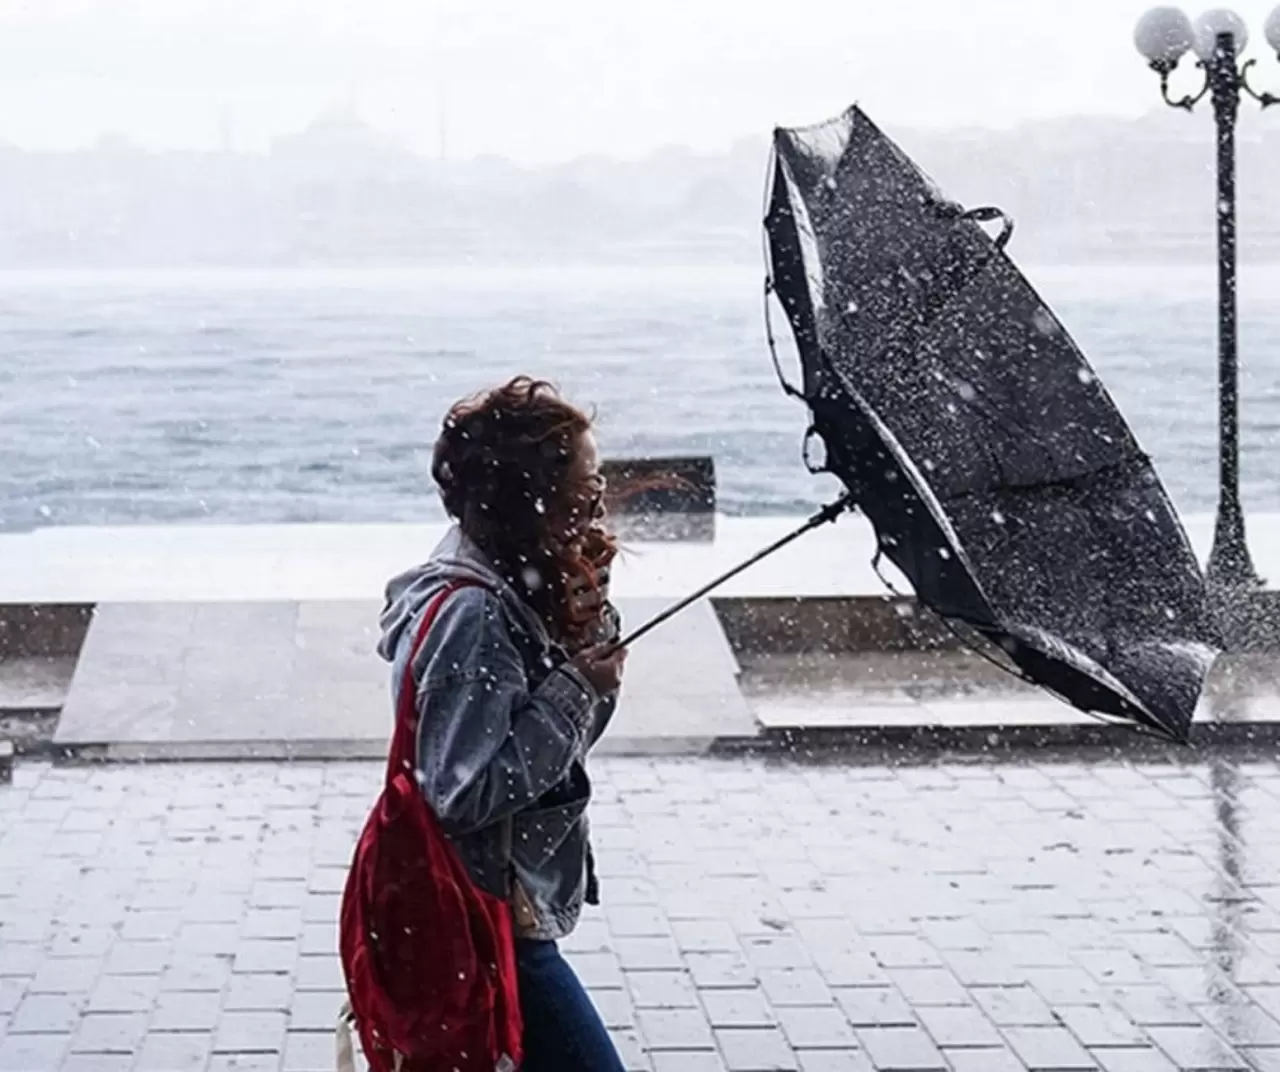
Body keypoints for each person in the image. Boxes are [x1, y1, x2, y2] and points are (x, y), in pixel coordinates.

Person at [377, 376, 628, 1072]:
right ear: (532, 502)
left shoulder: (511, 583)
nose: (597, 508)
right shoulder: (474, 614)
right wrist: (576, 686)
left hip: (495, 909)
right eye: (584, 492)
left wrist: (586, 630)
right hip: (486, 913)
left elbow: (565, 749)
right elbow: (465, 789)